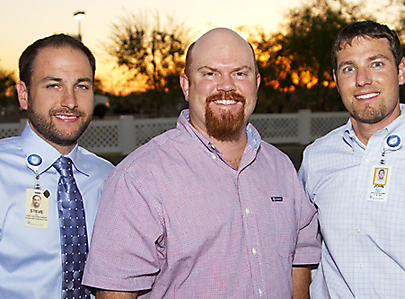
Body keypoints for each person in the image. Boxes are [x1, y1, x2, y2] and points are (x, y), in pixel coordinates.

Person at [82, 28, 321, 298]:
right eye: (210, 73)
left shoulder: (281, 167)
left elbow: (300, 254)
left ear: (256, 83)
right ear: (186, 85)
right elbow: (115, 289)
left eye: (240, 73)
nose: (227, 85)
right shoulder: (139, 178)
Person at [298, 20, 405, 298]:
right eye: (349, 68)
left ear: (401, 71)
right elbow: (300, 248)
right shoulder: (316, 158)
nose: (362, 79)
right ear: (335, 79)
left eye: (376, 64)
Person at [0, 34, 114, 298]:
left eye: (82, 86)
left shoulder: (109, 177)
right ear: (24, 95)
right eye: (53, 85)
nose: (70, 101)